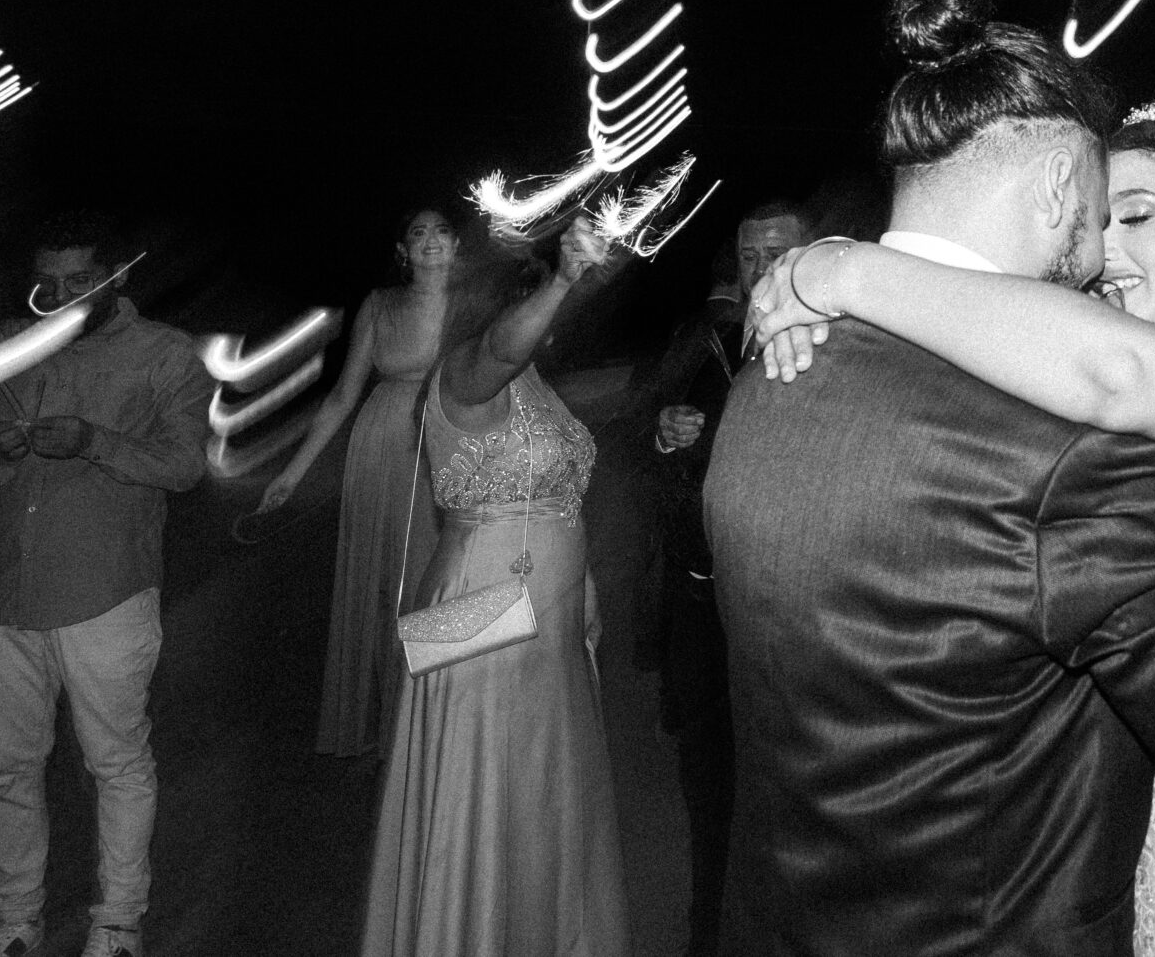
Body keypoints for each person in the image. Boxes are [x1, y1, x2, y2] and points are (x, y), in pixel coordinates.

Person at [708, 0, 1155, 956]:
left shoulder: (780, 370)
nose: (1105, 244)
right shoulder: (1077, 452)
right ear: (1062, 183)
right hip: (1062, 884)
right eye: (1100, 207)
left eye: (1139, 214)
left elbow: (1111, 373)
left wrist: (844, 266)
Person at [0, 211, 211, 957]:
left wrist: (97, 442)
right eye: (46, 282)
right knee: (5, 771)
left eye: (78, 281)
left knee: (115, 762)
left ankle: (118, 921)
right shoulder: (3, 346)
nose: (55, 297)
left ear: (118, 277)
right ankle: (15, 919)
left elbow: (184, 465)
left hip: (106, 592)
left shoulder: (165, 354)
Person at [359, 215, 626, 956]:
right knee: (486, 802)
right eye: (530, 295)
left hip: (548, 609)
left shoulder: (534, 380)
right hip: (484, 613)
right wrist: (567, 279)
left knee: (539, 802)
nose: (543, 313)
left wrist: (587, 583)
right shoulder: (466, 371)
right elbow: (505, 345)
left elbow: (559, 495)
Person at [641, 195, 813, 957]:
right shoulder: (720, 343)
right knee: (711, 801)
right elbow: (684, 440)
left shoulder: (848, 347)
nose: (763, 267)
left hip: (794, 625)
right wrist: (671, 435)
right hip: (706, 607)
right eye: (749, 255)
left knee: (790, 813)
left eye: (778, 250)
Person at [261, 205, 459, 757]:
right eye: (417, 233)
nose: (431, 242)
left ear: (458, 246)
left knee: (447, 578)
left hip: (452, 437)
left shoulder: (478, 303)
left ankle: (442, 720)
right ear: (403, 251)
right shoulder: (381, 303)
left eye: (442, 232)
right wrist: (293, 471)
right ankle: (396, 725)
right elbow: (344, 395)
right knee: (392, 584)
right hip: (388, 443)